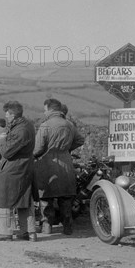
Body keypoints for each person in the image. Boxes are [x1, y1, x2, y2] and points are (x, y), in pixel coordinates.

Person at [34, 99, 85, 235]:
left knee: (46, 198)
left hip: (47, 164)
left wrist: (33, 157)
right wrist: (67, 149)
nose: (44, 112)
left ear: (50, 110)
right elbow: (80, 140)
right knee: (66, 197)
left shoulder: (45, 126)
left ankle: (47, 226)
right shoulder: (69, 125)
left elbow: (38, 148)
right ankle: (67, 227)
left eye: (45, 110)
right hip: (66, 163)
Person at [0, 101, 37, 242]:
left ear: (13, 115)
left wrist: (2, 139)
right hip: (24, 167)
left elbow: (7, 152)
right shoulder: (27, 125)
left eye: (7, 115)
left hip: (14, 168)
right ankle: (28, 232)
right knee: (24, 199)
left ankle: (4, 232)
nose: (6, 118)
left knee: (5, 198)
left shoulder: (20, 130)